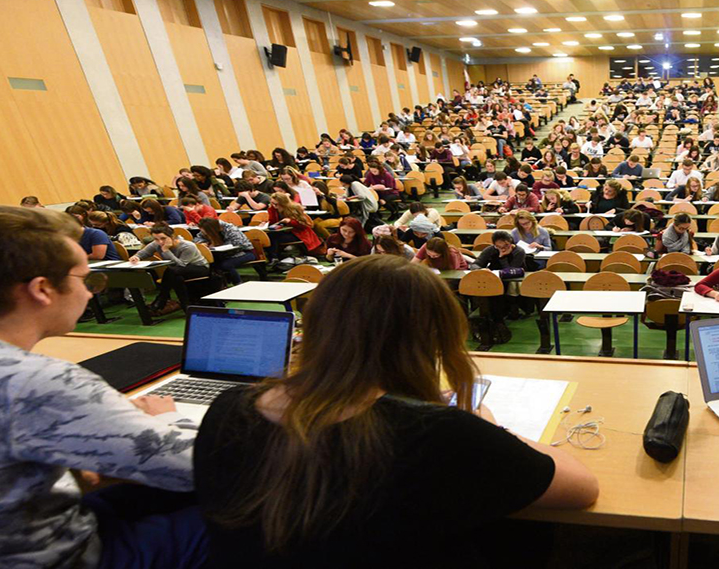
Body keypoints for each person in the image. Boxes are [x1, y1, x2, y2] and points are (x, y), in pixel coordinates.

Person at [193, 255, 598, 567]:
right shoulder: (440, 433)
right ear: (430, 339)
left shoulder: (229, 409)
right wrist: (487, 427)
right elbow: (582, 488)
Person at [0, 206, 206, 568]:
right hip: (57, 556)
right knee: (244, 513)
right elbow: (195, 464)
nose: (92, 293)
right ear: (42, 289)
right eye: (87, 279)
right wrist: (171, 419)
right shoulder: (36, 382)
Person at [131, 224, 211, 315]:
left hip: (198, 268)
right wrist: (136, 257)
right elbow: (144, 252)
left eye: (163, 238)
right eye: (156, 239)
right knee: (177, 278)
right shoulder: (156, 243)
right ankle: (186, 307)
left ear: (172, 237)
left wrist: (166, 250)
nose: (160, 242)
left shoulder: (187, 246)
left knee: (172, 271)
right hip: (176, 272)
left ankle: (161, 300)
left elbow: (180, 265)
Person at [195, 217, 256, 285]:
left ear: (211, 229)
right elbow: (197, 238)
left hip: (244, 252)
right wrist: (202, 243)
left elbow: (238, 244)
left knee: (226, 265)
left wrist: (218, 246)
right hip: (223, 254)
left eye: (205, 232)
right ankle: (219, 284)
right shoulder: (206, 228)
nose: (204, 233)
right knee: (211, 264)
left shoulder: (230, 229)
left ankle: (238, 283)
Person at [267, 193, 324, 259]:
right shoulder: (274, 209)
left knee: (273, 237)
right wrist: (271, 210)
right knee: (269, 236)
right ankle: (273, 257)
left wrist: (290, 221)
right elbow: (273, 222)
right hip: (283, 232)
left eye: (276, 204)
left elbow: (303, 224)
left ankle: (274, 258)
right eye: (272, 203)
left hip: (298, 233)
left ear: (282, 203)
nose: (274, 206)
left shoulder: (294, 208)